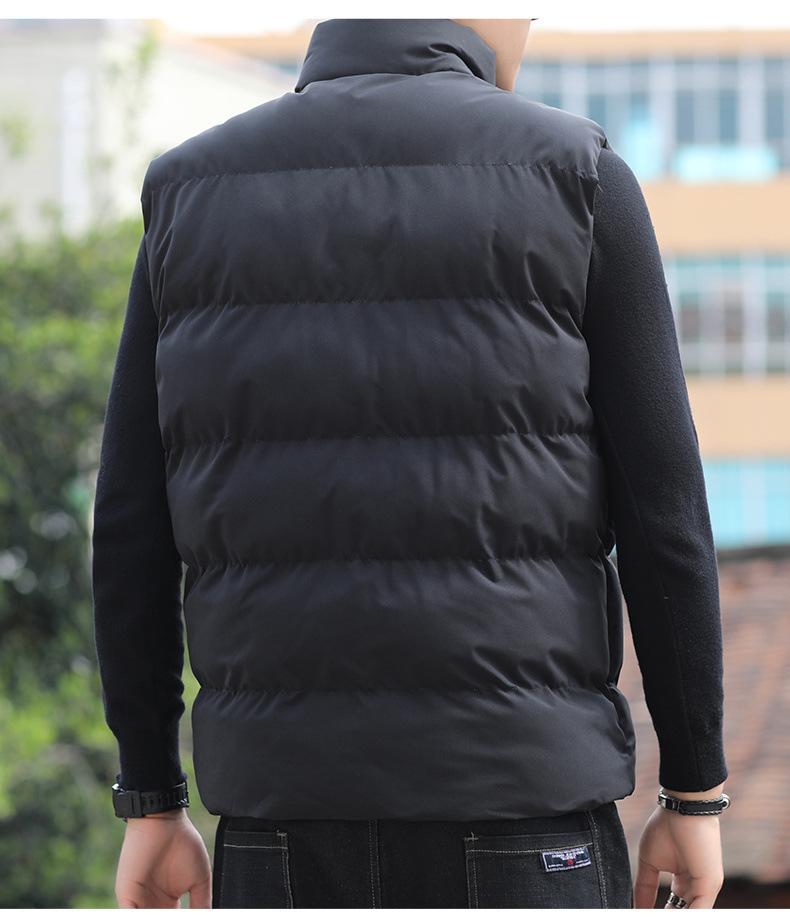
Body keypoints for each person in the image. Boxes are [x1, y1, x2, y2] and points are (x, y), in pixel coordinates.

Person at [92, 18, 730, 909]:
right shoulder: (577, 176)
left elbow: (130, 523)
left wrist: (152, 799)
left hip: (281, 821)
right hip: (526, 807)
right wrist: (694, 790)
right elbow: (665, 516)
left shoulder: (188, 190)